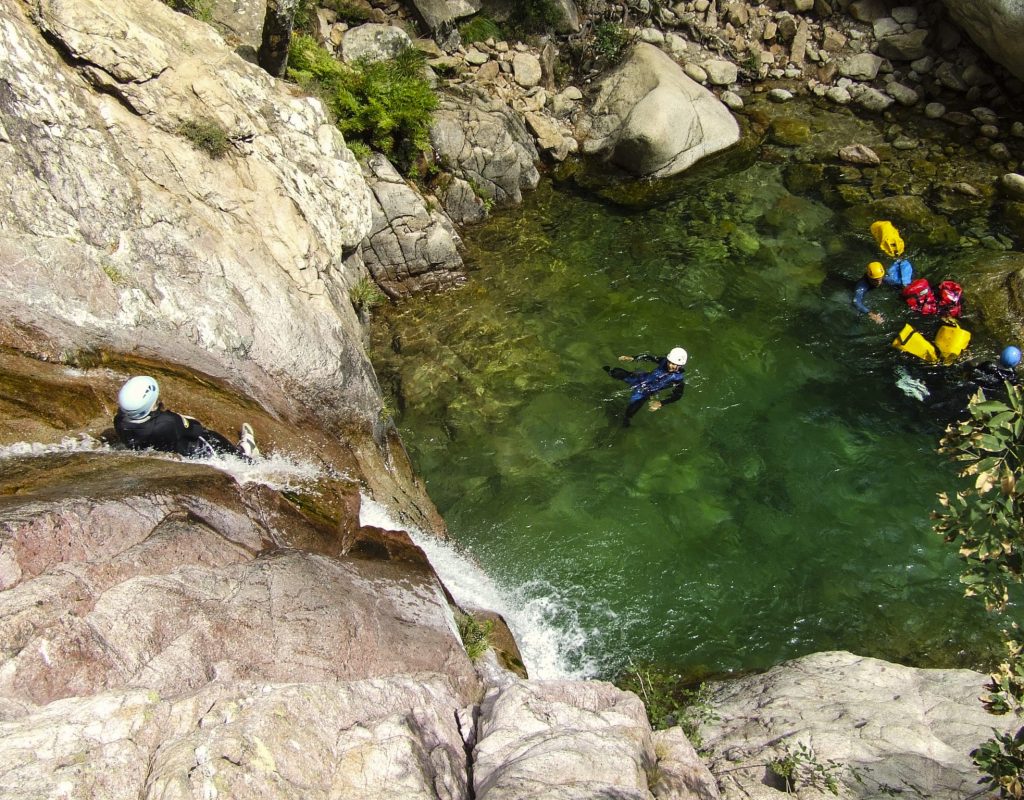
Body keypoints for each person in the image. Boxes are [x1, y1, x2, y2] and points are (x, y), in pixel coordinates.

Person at [114, 375, 260, 460]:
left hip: (167, 452)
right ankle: (245, 453)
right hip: (197, 453)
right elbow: (195, 428)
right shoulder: (168, 422)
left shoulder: (119, 422)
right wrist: (183, 419)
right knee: (210, 437)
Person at [604, 347, 687, 427]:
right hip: (640, 378)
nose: (669, 365)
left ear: (680, 365)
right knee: (616, 372)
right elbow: (649, 357)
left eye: (673, 364)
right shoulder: (664, 362)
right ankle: (606, 370)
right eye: (669, 362)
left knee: (631, 409)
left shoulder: (678, 378)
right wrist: (633, 358)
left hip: (646, 391)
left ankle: (626, 420)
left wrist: (661, 403)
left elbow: (678, 395)